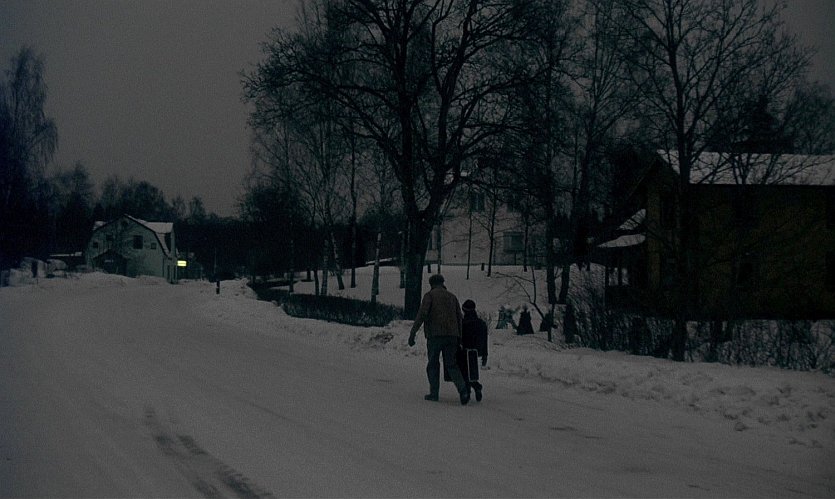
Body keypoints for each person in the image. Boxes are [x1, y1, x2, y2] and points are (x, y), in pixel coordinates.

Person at [408, 274, 470, 405]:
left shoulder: (429, 296)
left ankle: (434, 393)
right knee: (452, 364)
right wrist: (459, 337)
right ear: (442, 283)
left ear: (431, 284)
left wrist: (413, 333)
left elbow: (422, 314)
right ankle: (463, 390)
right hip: (452, 336)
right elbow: (459, 318)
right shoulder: (452, 297)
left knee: (433, 364)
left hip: (435, 335)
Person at [461, 299, 488, 402]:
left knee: (464, 371)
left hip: (465, 350)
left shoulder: (463, 323)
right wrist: (485, 354)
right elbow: (485, 340)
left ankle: (469, 390)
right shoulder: (481, 323)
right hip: (477, 350)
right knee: (471, 370)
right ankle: (476, 386)